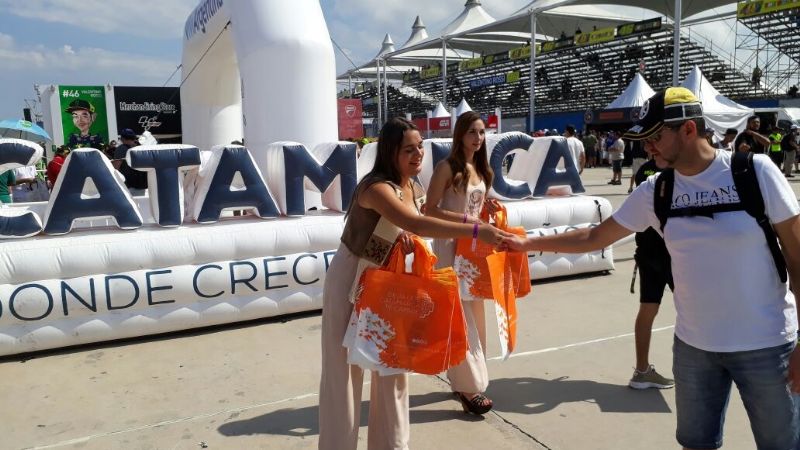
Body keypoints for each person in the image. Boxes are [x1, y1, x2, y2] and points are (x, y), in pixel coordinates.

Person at [503, 87, 800, 450]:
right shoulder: (656, 190)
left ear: (688, 130)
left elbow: (797, 259)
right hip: (694, 349)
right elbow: (594, 237)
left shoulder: (755, 171)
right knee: (696, 443)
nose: (647, 148)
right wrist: (526, 243)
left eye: (655, 137)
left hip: (768, 346)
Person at [318, 117, 508, 450]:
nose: (418, 154)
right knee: (343, 374)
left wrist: (410, 239)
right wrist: (477, 230)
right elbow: (416, 222)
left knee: (392, 366)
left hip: (387, 283)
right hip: (351, 279)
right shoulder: (376, 187)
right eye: (408, 149)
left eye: (420, 147)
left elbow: (418, 222)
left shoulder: (413, 185)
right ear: (390, 152)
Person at [425, 111, 498, 416]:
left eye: (481, 132)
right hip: (450, 248)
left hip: (474, 249)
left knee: (476, 314)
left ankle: (465, 379)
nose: (478, 138)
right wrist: (469, 221)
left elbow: (476, 207)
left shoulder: (482, 169)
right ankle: (470, 387)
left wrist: (487, 210)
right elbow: (429, 209)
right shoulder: (447, 167)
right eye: (472, 132)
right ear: (460, 135)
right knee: (459, 316)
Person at [628, 156, 674, 390]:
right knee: (693, 311)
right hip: (672, 253)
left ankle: (642, 370)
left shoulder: (645, 171)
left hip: (648, 251)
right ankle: (699, 373)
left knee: (647, 308)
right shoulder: (680, 171)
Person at [113, 128, 148, 196]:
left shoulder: (121, 149)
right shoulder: (141, 147)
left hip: (128, 185)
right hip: (141, 184)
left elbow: (116, 167)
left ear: (122, 138)